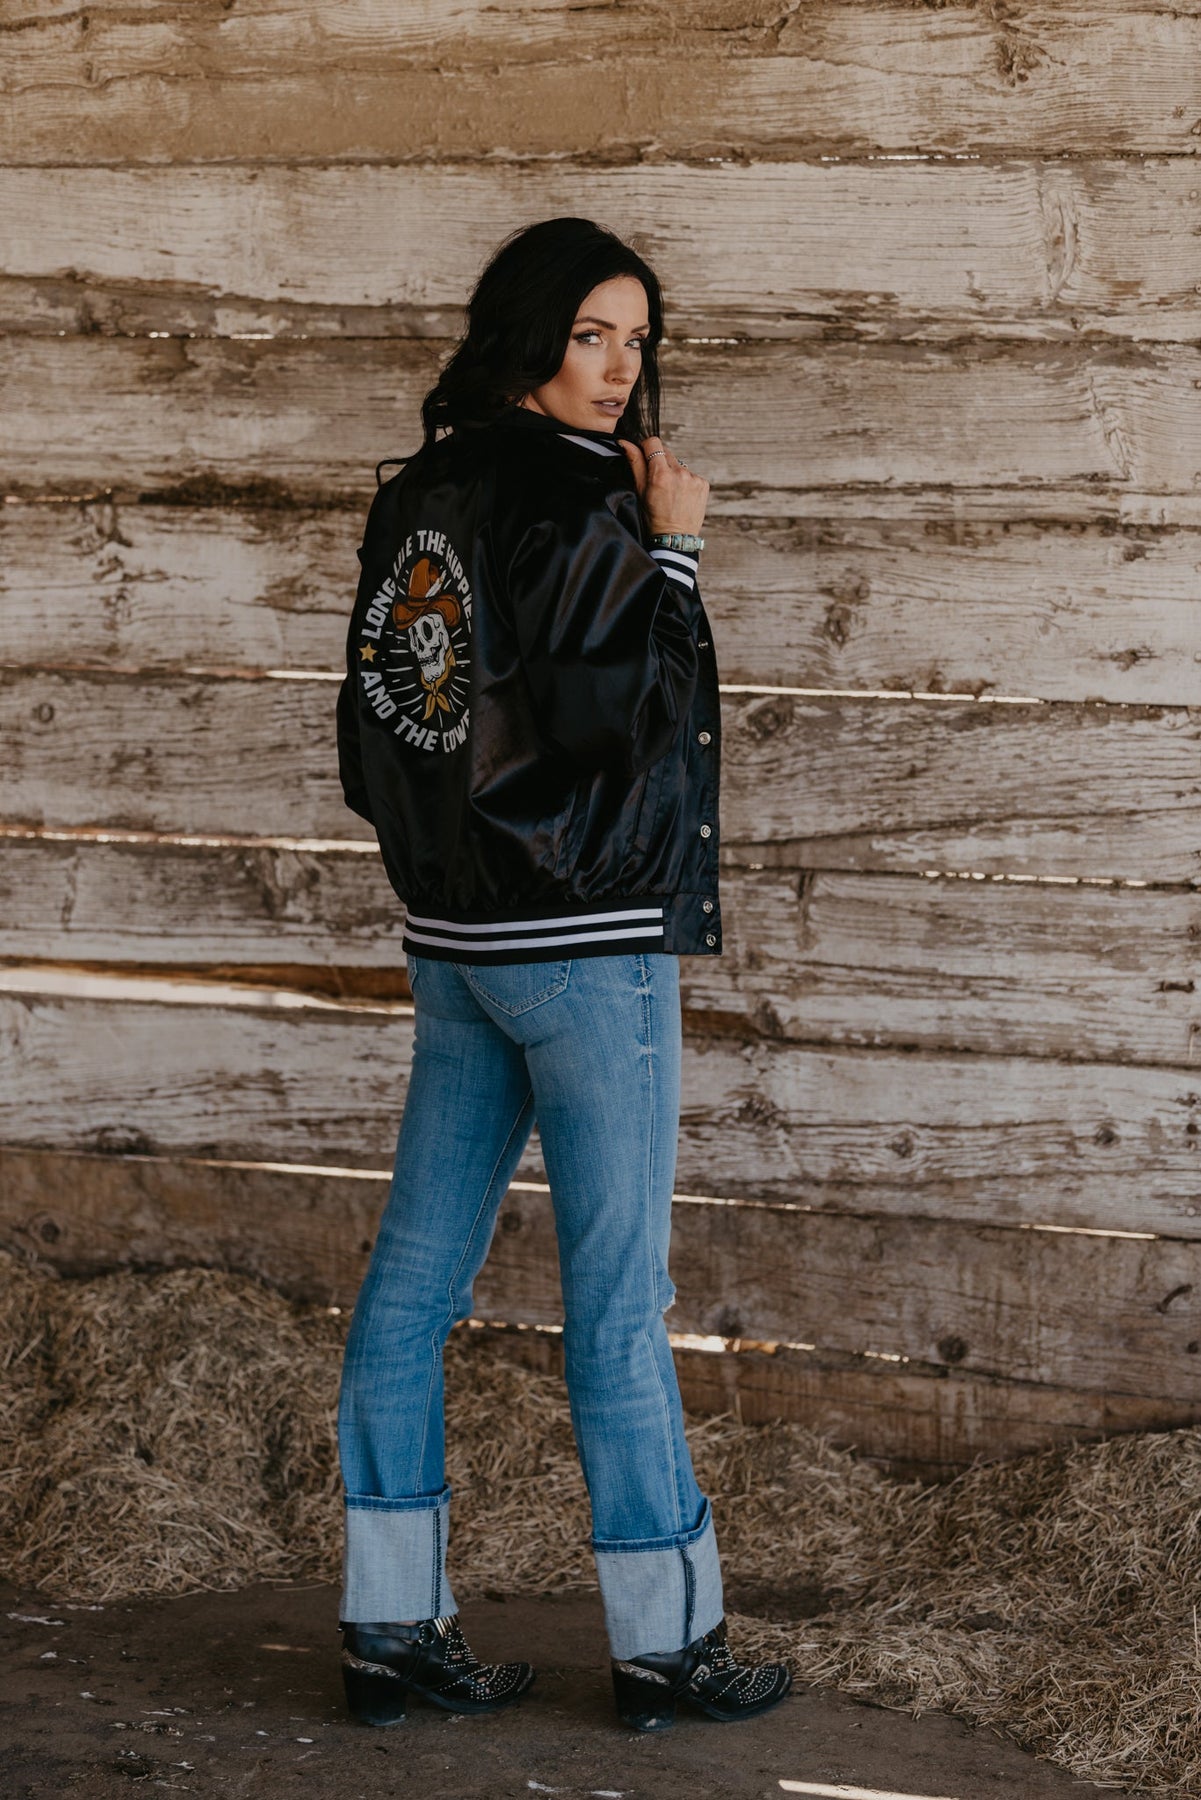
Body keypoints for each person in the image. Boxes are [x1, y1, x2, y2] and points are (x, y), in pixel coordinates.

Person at [333, 216, 792, 1732]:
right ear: (528, 331)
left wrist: (450, 876)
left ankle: (389, 1629)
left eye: (635, 340)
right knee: (614, 1305)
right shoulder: (588, 495)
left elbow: (378, 736)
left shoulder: (418, 494)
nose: (617, 369)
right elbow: (623, 722)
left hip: (459, 950)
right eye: (591, 334)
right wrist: (674, 548)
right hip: (586, 949)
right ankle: (667, 1644)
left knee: (413, 1288)